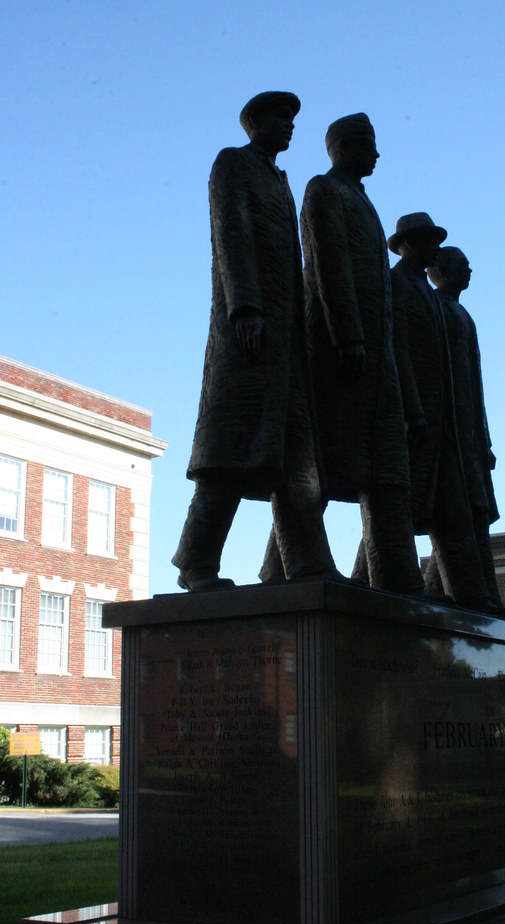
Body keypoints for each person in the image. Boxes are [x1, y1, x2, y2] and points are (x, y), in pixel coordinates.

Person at [172, 91, 339, 591]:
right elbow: (230, 233)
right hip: (246, 336)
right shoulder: (233, 164)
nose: (289, 126)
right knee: (227, 454)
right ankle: (196, 563)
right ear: (255, 124)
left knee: (298, 463)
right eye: (280, 118)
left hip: (285, 347)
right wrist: (244, 307)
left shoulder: (280, 183)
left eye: (293, 120)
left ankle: (307, 563)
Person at [260, 113, 424, 595]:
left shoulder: (364, 201)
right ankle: (285, 563)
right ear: (346, 146)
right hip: (338, 351)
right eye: (370, 144)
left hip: (375, 360)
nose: (377, 154)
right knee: (322, 468)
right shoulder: (322, 190)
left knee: (387, 471)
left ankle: (397, 577)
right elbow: (326, 263)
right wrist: (348, 336)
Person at [386, 213, 492, 610]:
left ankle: (466, 593)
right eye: (430, 243)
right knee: (402, 504)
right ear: (413, 245)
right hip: (419, 419)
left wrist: (481, 437)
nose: (435, 251)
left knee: (448, 509)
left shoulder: (443, 306)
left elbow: (467, 382)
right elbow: (400, 352)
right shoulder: (399, 285)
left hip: (448, 423)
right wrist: (413, 409)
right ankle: (372, 577)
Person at [426, 246, 505, 609]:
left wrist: (484, 440)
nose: (469, 269)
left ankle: (452, 591)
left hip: (470, 433)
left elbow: (477, 387)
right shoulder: (436, 308)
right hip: (447, 429)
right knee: (455, 512)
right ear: (439, 269)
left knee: (477, 512)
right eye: (461, 264)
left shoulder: (462, 314)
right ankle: (473, 593)